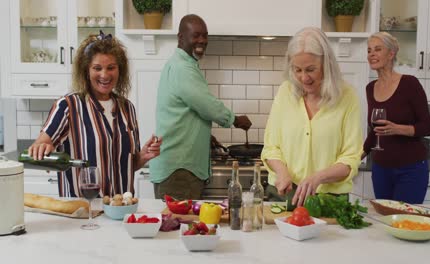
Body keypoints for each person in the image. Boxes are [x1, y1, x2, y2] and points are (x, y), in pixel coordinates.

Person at [28, 31, 162, 197]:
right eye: (97, 68)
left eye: (111, 68)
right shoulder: (68, 106)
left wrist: (142, 157)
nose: (105, 75)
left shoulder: (127, 108)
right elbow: (40, 144)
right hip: (82, 211)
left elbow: (127, 165)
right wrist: (41, 148)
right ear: (86, 70)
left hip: (120, 209)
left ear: (120, 70)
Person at [150, 14, 252, 200]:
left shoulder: (182, 64)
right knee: (179, 226)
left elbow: (186, 111)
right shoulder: (183, 68)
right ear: (181, 37)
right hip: (179, 170)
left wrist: (204, 135)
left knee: (181, 226)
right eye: (196, 35)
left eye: (205, 36)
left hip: (179, 168)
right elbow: (206, 105)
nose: (202, 41)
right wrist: (235, 120)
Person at [261, 27, 363, 206]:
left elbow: (351, 158)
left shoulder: (347, 97)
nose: (303, 77)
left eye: (310, 69)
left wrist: (318, 178)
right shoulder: (285, 92)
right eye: (297, 70)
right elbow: (271, 147)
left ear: (327, 65)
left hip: (329, 200)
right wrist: (283, 173)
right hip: (284, 194)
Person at [362, 32, 430, 204]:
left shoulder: (410, 84)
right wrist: (356, 157)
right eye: (369, 50)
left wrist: (398, 129)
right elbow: (375, 131)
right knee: (385, 222)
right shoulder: (371, 88)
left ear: (391, 53)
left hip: (410, 169)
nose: (371, 54)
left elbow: (427, 127)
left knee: (406, 220)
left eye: (377, 49)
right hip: (381, 170)